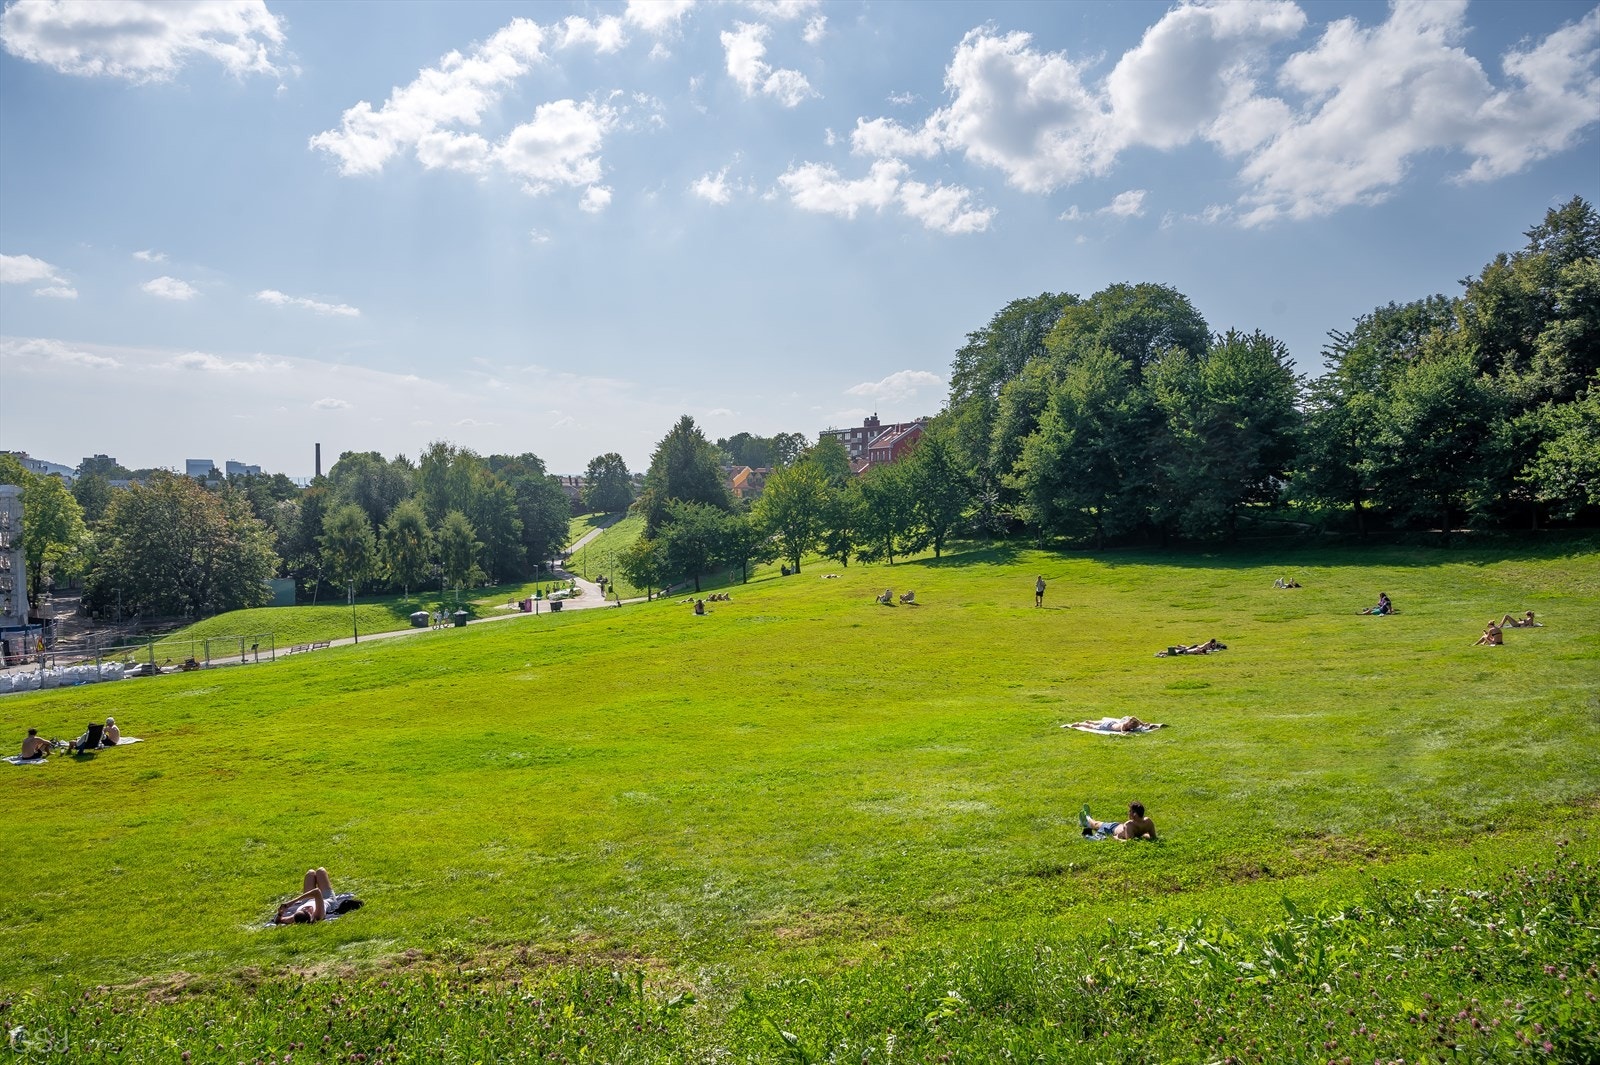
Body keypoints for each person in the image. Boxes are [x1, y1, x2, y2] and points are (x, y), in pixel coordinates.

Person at [1080, 801, 1157, 841]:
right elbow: (1153, 837)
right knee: (1096, 824)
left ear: (1135, 814)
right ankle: (1087, 818)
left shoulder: (1129, 824)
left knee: (1095, 824)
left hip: (1111, 829)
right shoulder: (1148, 821)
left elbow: (1129, 842)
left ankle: (1087, 819)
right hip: (1116, 826)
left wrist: (1116, 839)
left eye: (1130, 811)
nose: (1128, 813)